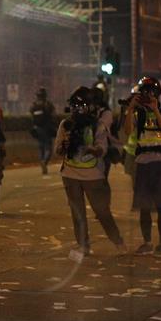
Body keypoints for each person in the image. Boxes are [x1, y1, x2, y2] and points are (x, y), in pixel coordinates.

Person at [54, 87, 127, 257]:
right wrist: (64, 146)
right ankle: (83, 245)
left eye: (81, 106)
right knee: (77, 213)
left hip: (93, 176)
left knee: (102, 212)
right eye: (75, 106)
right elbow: (57, 150)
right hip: (70, 176)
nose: (77, 110)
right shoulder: (65, 125)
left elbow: (102, 148)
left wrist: (93, 150)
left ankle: (118, 241)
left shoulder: (97, 125)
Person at [121, 76, 161, 257]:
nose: (147, 95)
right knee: (144, 207)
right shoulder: (137, 114)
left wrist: (154, 110)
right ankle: (147, 242)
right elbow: (127, 132)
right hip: (142, 162)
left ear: (157, 94)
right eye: (144, 92)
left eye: (151, 92)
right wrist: (130, 109)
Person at [29, 87, 56, 174]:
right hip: (46, 128)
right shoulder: (48, 104)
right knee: (48, 147)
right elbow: (53, 116)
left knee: (41, 146)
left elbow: (31, 117)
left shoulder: (34, 105)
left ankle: (42, 160)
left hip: (37, 129)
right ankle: (44, 161)